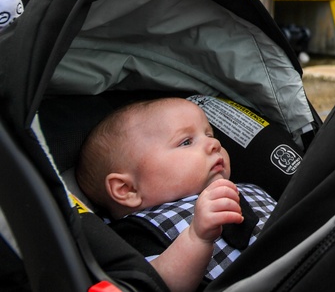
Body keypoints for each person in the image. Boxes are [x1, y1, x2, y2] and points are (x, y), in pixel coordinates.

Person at [76, 97, 275, 292]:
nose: (214, 144)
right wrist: (196, 238)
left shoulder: (246, 187)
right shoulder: (136, 234)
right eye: (186, 142)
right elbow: (153, 284)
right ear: (128, 190)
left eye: (210, 134)